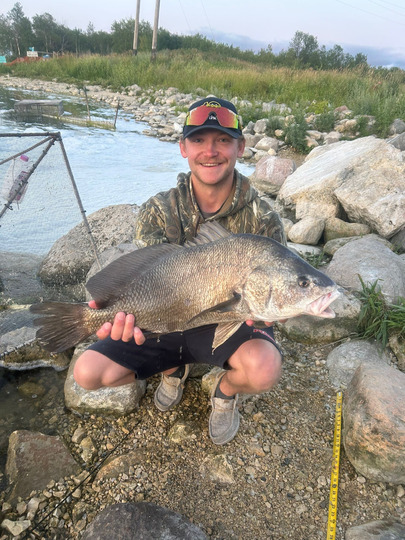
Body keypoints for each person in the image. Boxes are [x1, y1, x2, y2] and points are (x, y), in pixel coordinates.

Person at [73, 97, 286, 445]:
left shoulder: (263, 219)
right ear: (183, 148)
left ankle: (226, 390)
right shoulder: (158, 208)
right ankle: (172, 369)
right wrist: (116, 314)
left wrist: (281, 309)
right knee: (87, 373)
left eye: (222, 140)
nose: (210, 151)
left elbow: (276, 290)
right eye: (199, 140)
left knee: (264, 369)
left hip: (224, 320)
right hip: (159, 316)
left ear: (241, 147)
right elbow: (142, 275)